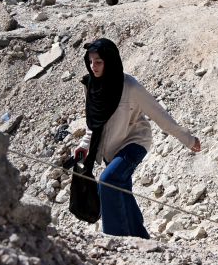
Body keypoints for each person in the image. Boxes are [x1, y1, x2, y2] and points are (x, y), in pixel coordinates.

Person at [73, 39, 201, 238]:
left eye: (98, 61)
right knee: (122, 192)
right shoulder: (90, 85)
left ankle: (115, 241)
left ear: (110, 60)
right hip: (110, 150)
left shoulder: (129, 86)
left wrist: (188, 139)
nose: (93, 66)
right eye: (90, 62)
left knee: (107, 181)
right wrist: (84, 144)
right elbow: (94, 120)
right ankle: (142, 241)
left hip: (134, 143)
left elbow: (159, 115)